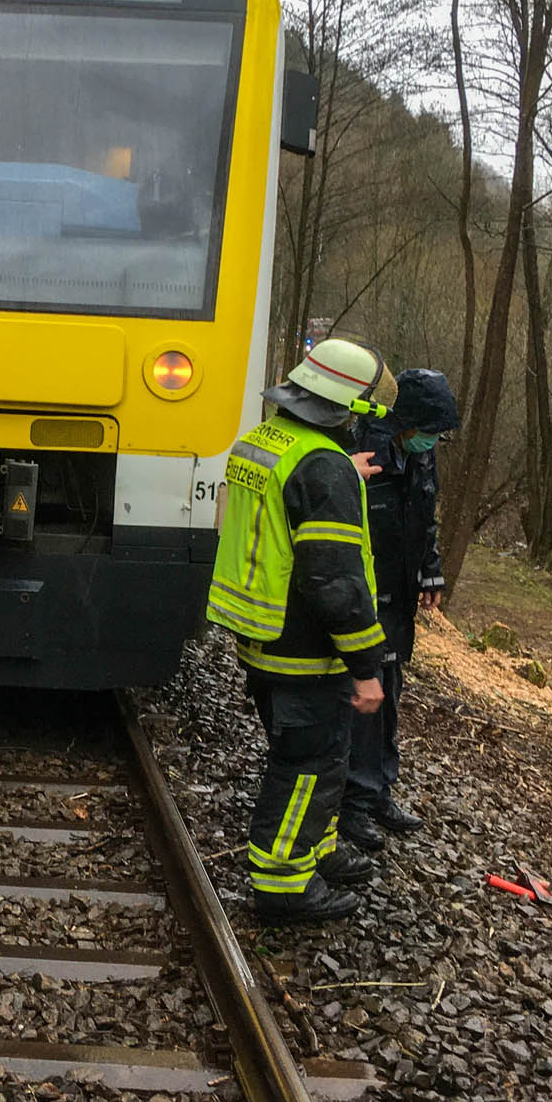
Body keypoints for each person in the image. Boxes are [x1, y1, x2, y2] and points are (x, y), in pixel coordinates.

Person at [206, 338, 394, 924]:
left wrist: (338, 475)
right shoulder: (324, 467)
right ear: (345, 406)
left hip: (264, 632)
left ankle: (316, 848)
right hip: (306, 649)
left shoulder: (265, 441)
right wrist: (366, 667)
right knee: (308, 764)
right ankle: (284, 885)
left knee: (319, 758)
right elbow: (333, 581)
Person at [340, 367, 461, 852]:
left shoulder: (422, 455)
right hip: (367, 593)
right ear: (407, 421)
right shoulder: (368, 451)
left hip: (400, 594)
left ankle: (379, 791)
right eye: (430, 430)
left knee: (389, 693)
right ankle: (353, 801)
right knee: (364, 696)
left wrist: (430, 571)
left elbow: (425, 517)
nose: (434, 442)